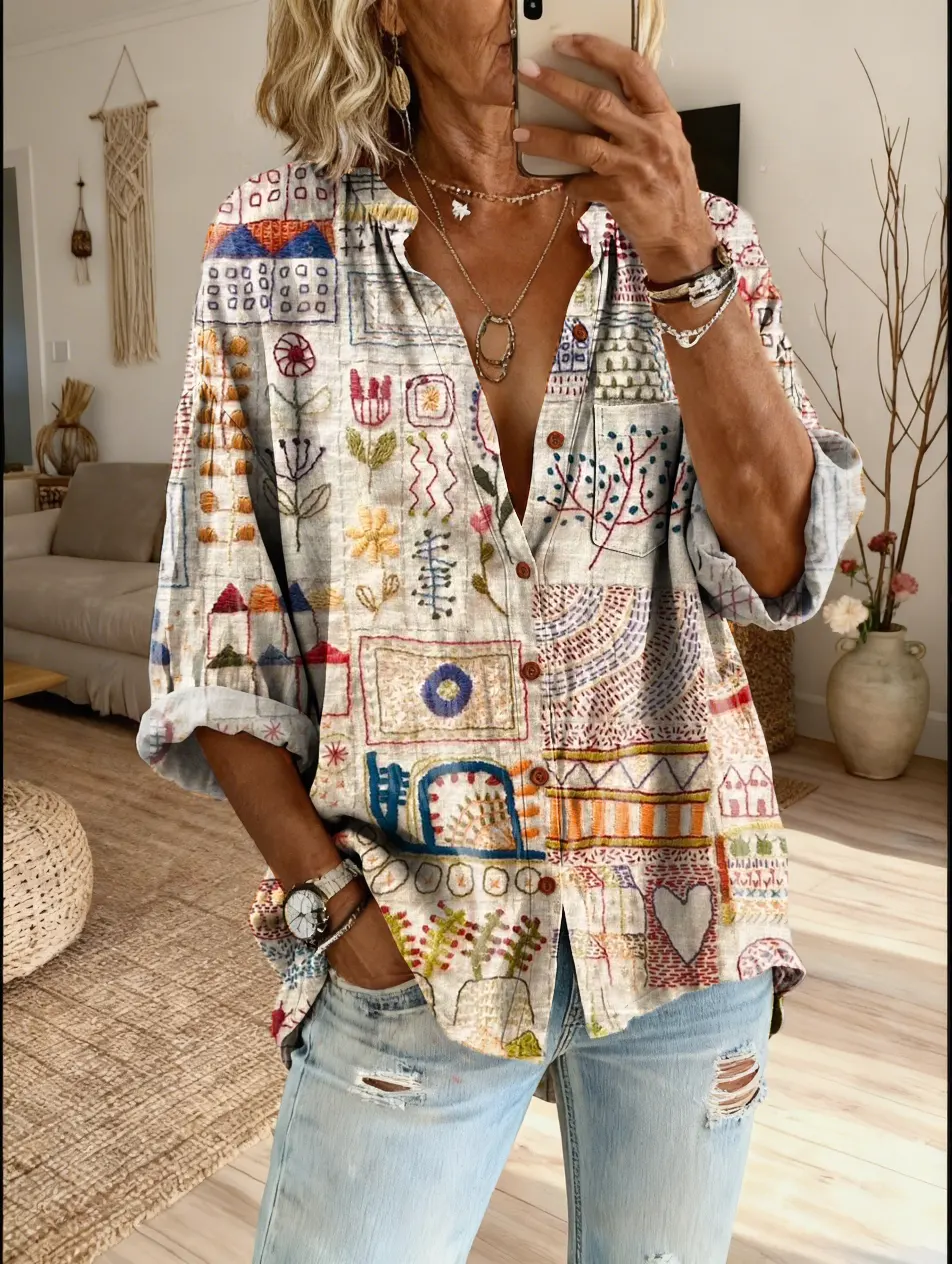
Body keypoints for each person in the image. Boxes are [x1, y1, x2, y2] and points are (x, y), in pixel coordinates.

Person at [138, 1, 864, 1260]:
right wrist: (334, 909)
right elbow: (219, 625)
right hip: (411, 929)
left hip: (685, 916)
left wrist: (682, 253)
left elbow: (782, 564)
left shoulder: (697, 237)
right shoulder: (271, 249)